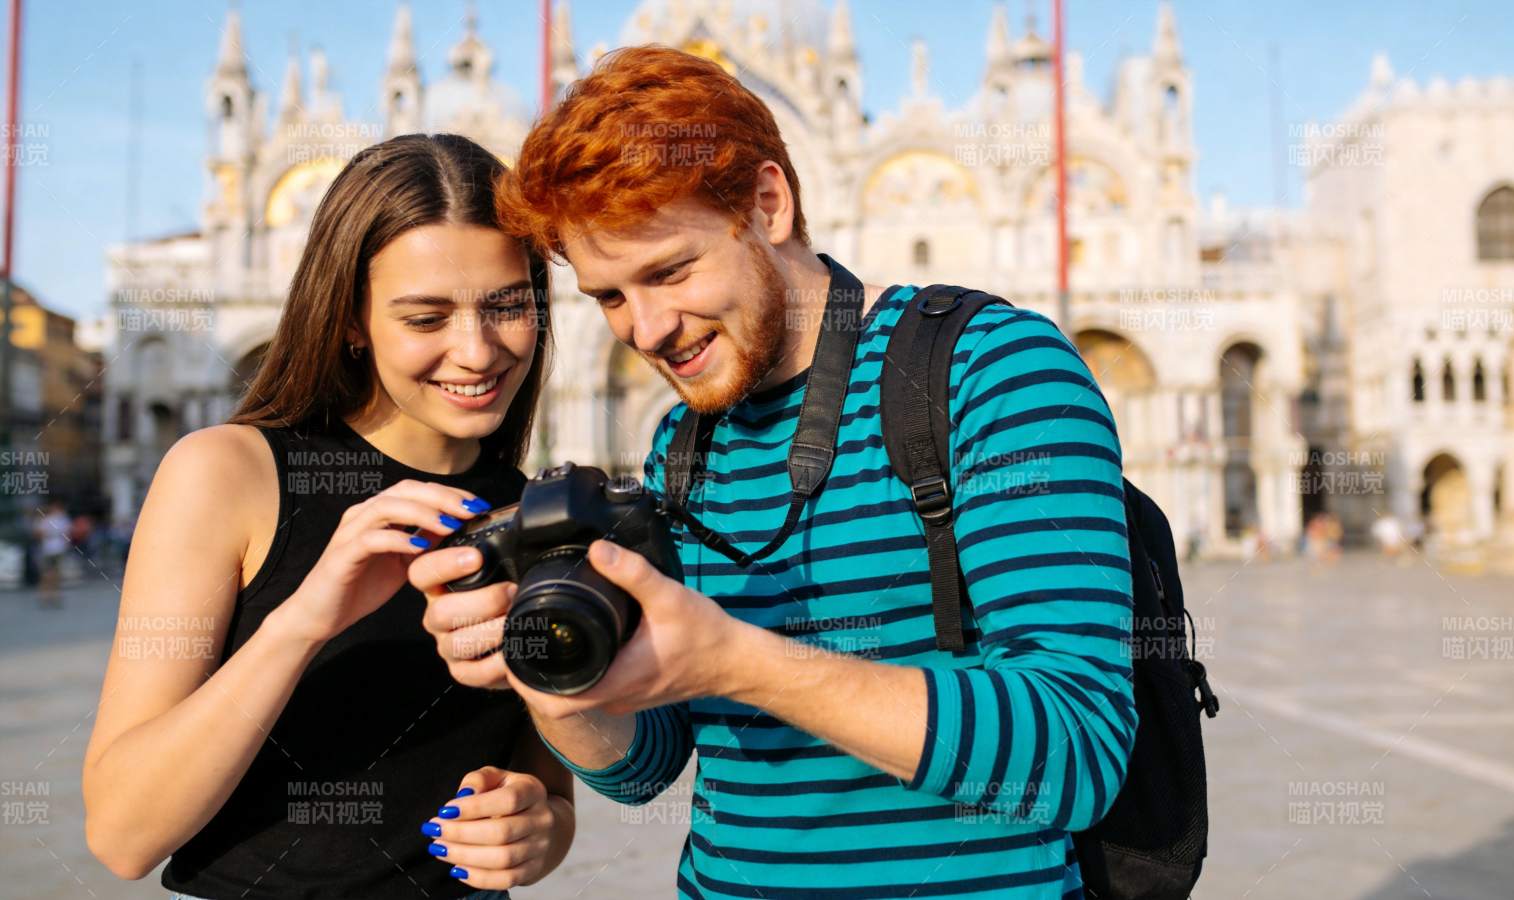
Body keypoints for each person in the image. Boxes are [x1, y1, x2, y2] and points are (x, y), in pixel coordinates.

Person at [416, 48, 1137, 899]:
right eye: (609, 296)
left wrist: (739, 662)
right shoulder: (683, 444)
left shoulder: (991, 371)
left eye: (669, 271)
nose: (646, 329)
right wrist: (547, 665)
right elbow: (644, 766)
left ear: (769, 203)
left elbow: (1077, 751)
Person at [83, 134, 573, 899]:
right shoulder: (228, 474)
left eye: (507, 306)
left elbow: (546, 788)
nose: (477, 352)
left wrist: (540, 828)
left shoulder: (535, 511)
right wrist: (305, 619)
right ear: (350, 320)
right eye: (426, 318)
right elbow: (122, 834)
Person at [36, 498, 71, 608]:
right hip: (48, 550)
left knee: (56, 574)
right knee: (47, 574)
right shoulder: (46, 520)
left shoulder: (63, 519)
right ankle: (45, 596)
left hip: (58, 549)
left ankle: (55, 596)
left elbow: (67, 534)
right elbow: (39, 534)